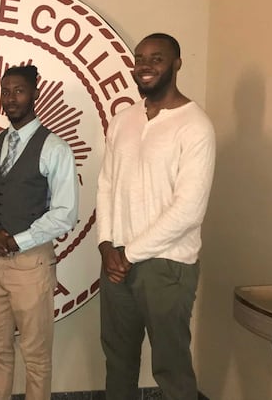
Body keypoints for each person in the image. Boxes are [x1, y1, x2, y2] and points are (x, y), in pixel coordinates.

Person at [96, 33, 216, 400]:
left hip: (166, 265)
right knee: (118, 363)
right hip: (116, 259)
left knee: (171, 367)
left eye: (157, 58)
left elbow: (188, 210)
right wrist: (105, 245)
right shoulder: (123, 120)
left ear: (177, 64)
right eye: (140, 58)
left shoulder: (195, 126)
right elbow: (106, 184)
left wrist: (128, 254)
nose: (145, 66)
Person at [0, 65, 79, 399]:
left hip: (32, 262)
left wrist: (17, 240)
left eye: (18, 90)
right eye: (5, 90)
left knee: (36, 355)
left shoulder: (55, 148)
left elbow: (65, 214)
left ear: (35, 94)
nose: (11, 98)